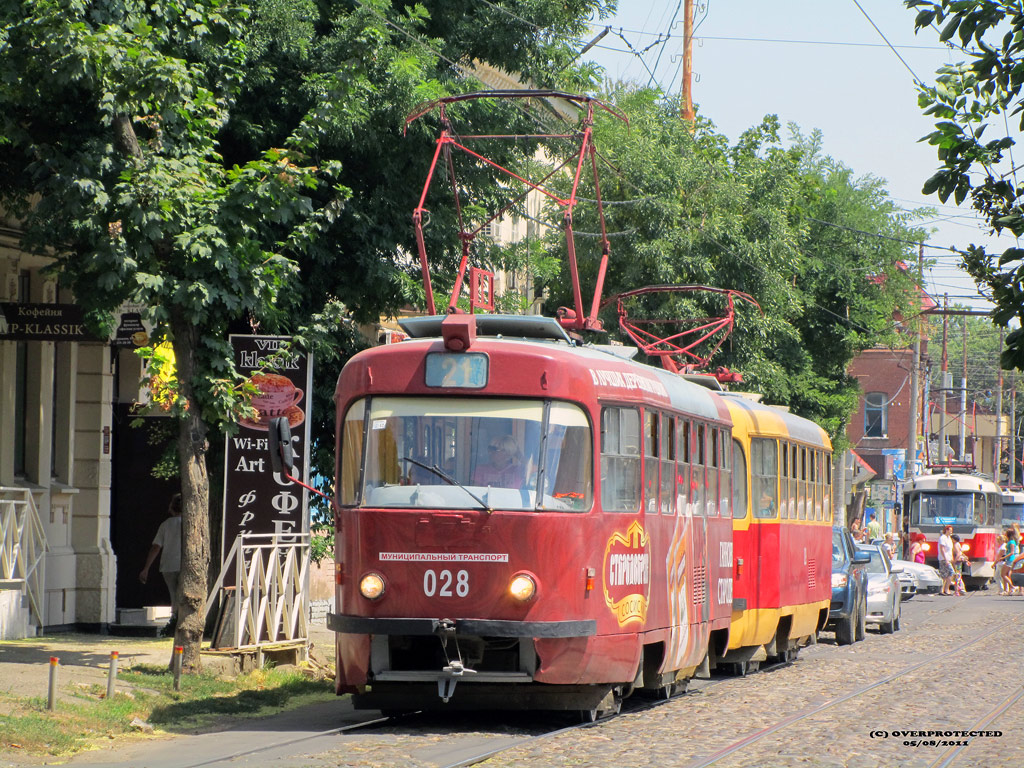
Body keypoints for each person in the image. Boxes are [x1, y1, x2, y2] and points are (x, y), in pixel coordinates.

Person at [139, 493, 183, 627]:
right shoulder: (190, 524)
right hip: (185, 565)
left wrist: (146, 568)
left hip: (168, 566)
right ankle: (181, 621)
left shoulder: (166, 525)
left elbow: (156, 547)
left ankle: (175, 621)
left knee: (174, 595)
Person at [938, 524, 955, 595]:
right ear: (946, 530)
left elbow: (950, 550)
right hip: (944, 559)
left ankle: (943, 589)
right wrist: (946, 559)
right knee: (950, 573)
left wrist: (952, 559)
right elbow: (942, 549)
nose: (951, 532)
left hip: (948, 558)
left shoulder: (949, 538)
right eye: (950, 530)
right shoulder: (943, 538)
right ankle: (945, 589)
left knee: (946, 574)